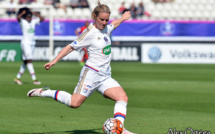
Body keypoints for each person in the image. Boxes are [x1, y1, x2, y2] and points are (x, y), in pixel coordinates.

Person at [27, 1, 136, 134]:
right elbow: (70, 47)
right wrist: (54, 61)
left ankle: (119, 129)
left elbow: (114, 25)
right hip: (91, 74)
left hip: (104, 76)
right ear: (94, 16)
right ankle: (45, 92)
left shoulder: (106, 28)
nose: (104, 22)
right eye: (101, 19)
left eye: (106, 20)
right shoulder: (89, 33)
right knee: (74, 103)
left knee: (122, 98)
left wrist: (123, 18)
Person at [14, 7, 44, 85]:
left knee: (25, 62)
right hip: (25, 43)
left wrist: (34, 13)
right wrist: (22, 13)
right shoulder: (23, 22)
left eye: (30, 16)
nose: (29, 18)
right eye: (28, 16)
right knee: (29, 60)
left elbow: (42, 18)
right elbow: (18, 18)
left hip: (32, 43)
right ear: (25, 17)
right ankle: (34, 79)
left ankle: (17, 78)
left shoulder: (33, 22)